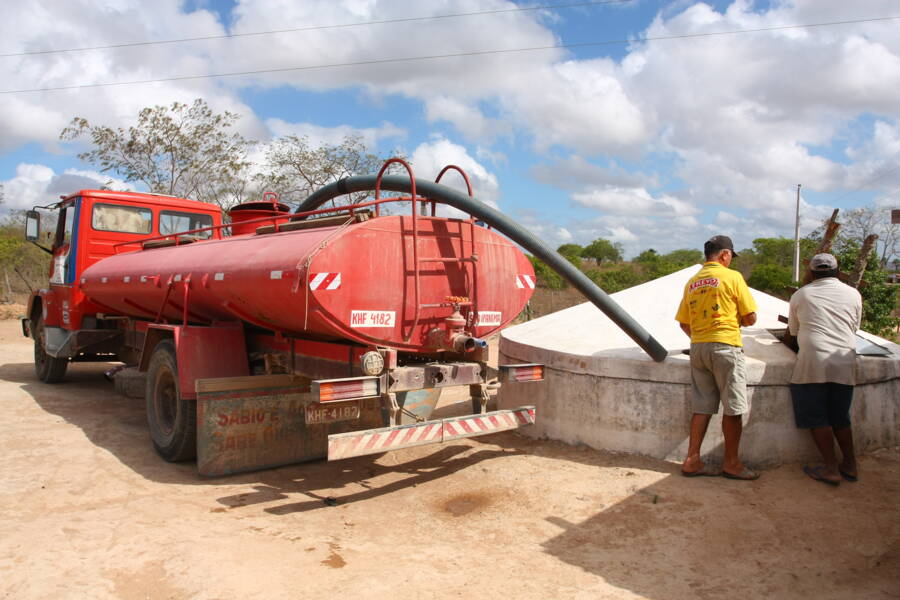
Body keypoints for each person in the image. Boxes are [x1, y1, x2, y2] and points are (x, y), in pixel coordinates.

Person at [675, 235, 759, 480]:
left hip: (699, 348)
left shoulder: (692, 282)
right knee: (733, 408)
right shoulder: (732, 277)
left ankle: (692, 460)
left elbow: (683, 322)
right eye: (731, 256)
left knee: (702, 407)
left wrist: (702, 335)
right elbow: (751, 316)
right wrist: (736, 323)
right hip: (726, 346)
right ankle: (731, 463)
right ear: (725, 255)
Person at [788, 253, 862, 486]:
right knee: (841, 416)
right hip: (844, 360)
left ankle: (830, 468)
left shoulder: (801, 295)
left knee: (817, 416)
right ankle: (850, 464)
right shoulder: (853, 294)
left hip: (813, 362)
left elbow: (793, 331)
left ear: (811, 272)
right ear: (837, 272)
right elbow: (855, 326)